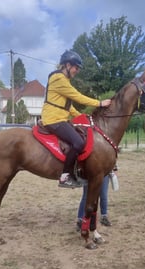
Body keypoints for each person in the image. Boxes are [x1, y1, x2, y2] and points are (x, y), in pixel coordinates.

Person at [41, 50, 112, 188]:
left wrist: (81, 116)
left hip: (59, 118)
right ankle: (64, 176)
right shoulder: (58, 78)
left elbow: (68, 106)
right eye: (76, 67)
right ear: (67, 65)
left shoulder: (64, 80)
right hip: (53, 119)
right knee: (78, 143)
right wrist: (99, 103)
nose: (77, 71)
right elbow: (77, 96)